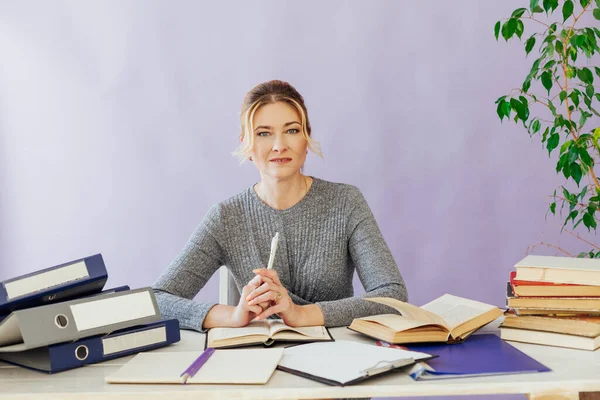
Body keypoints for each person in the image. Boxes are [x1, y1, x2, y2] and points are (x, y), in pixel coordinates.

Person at [152, 79, 407, 331]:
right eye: (264, 133)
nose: (279, 145)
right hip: (258, 361)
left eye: (292, 130)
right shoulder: (225, 217)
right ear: (247, 145)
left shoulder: (346, 202)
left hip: (335, 360)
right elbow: (157, 300)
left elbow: (392, 295)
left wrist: (301, 314)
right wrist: (233, 316)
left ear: (306, 139)